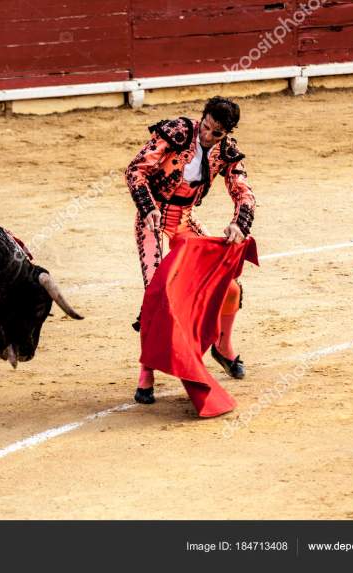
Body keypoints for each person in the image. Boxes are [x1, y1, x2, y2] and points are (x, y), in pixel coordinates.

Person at [124, 96, 256, 405]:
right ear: (203, 118)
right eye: (207, 127)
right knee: (158, 293)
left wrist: (239, 224)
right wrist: (147, 208)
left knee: (227, 284)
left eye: (217, 133)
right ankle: (147, 373)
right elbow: (135, 171)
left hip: (185, 220)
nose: (208, 136)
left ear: (227, 132)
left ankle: (223, 347)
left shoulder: (226, 151)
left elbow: (244, 192)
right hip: (153, 219)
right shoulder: (178, 131)